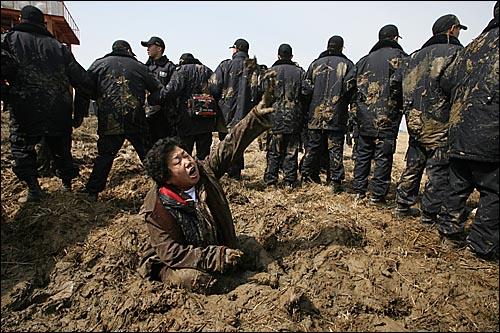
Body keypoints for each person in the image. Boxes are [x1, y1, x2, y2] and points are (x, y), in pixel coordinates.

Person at [139, 72, 277, 293]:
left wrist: (255, 117)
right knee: (189, 277)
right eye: (178, 161)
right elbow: (172, 253)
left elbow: (230, 146)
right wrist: (215, 257)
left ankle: (280, 277)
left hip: (215, 245)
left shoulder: (204, 172)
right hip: (179, 262)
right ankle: (240, 286)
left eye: (186, 155)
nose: (188, 161)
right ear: (166, 177)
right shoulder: (156, 208)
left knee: (251, 245)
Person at [0, 5, 92, 201]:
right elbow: (82, 81)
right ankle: (66, 185)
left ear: (20, 19)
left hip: (26, 106)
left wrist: (6, 95)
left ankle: (34, 189)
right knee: (60, 146)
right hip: (59, 107)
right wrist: (79, 113)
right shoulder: (59, 47)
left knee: (22, 147)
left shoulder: (8, 40)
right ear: (42, 24)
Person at [390, 14, 467, 222]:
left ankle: (403, 205)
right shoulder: (457, 53)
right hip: (441, 122)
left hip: (415, 121)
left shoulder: (412, 57)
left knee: (414, 165)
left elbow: (395, 85)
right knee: (438, 171)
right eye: (459, 29)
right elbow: (459, 87)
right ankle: (429, 214)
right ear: (452, 29)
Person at [438, 1, 499, 262]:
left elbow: (446, 81)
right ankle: (481, 247)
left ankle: (448, 234)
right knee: (494, 190)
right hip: (492, 132)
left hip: (460, 129)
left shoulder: (471, 46)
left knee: (458, 184)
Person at [76, 40, 163, 202]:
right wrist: (154, 109)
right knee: (148, 156)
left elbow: (83, 88)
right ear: (129, 51)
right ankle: (167, 187)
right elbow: (157, 89)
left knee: (105, 156)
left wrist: (79, 115)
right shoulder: (139, 67)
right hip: (135, 119)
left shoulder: (99, 64)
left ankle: (92, 193)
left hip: (110, 121)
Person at [344, 24, 407, 206]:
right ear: (395, 38)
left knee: (363, 155)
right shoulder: (401, 59)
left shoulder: (364, 61)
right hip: (387, 118)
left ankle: (360, 192)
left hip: (364, 120)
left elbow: (347, 85)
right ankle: (377, 197)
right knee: (383, 157)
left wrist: (357, 105)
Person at [300, 36, 355, 193]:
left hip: (315, 115)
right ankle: (335, 182)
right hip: (336, 115)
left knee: (312, 148)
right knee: (335, 149)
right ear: (342, 48)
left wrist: (309, 110)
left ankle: (306, 177)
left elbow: (305, 90)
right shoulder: (348, 65)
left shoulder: (314, 65)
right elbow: (351, 90)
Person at [209, 38, 262, 179]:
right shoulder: (255, 68)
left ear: (236, 49)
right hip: (246, 115)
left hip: (224, 115)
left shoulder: (225, 65)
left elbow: (213, 87)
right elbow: (260, 91)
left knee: (225, 144)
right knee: (240, 143)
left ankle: (225, 172)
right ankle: (236, 173)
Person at [261, 43, 307, 188]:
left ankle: (271, 181)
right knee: (291, 151)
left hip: (274, 118)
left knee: (274, 151)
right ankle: (289, 181)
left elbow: (259, 90)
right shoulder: (300, 72)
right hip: (294, 118)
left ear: (278, 55)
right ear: (291, 56)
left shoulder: (270, 72)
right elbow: (306, 91)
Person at [157, 53, 215, 160]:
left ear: (182, 61)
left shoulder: (181, 71)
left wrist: (156, 97)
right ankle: (205, 175)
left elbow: (172, 91)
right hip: (206, 118)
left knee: (185, 153)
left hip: (186, 119)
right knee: (204, 155)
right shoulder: (207, 70)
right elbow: (216, 89)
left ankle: (188, 175)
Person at [141, 36, 177, 144]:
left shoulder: (169, 67)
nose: (147, 49)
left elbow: (173, 89)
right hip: (148, 114)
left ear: (159, 48)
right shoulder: (145, 67)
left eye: (150, 46)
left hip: (165, 116)